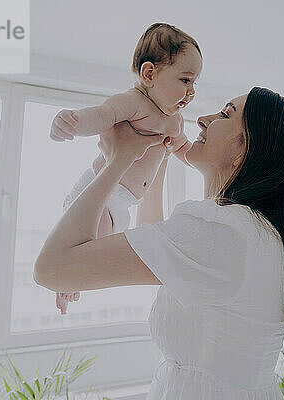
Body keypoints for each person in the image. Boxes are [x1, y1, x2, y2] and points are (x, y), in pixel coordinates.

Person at [34, 87, 284, 399]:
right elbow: (161, 248)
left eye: (225, 114)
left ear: (244, 149)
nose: (202, 119)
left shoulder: (224, 234)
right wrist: (157, 155)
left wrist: (119, 159)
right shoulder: (247, 233)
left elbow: (52, 269)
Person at [50, 22, 202, 313]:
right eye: (185, 80)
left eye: (195, 83)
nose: (191, 91)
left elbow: (184, 148)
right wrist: (73, 122)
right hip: (99, 191)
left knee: (104, 248)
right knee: (89, 245)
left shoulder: (174, 121)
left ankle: (71, 278)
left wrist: (201, 159)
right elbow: (101, 116)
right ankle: (66, 280)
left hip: (124, 203)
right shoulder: (133, 102)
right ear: (150, 73)